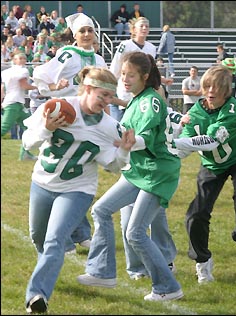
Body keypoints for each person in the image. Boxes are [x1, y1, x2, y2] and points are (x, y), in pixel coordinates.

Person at [23, 66, 136, 314]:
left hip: (77, 189)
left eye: (110, 97)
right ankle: (46, 270)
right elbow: (28, 143)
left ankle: (37, 296)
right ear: (86, 88)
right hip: (42, 182)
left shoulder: (108, 126)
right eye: (102, 95)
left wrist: (124, 151)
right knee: (39, 237)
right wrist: (46, 129)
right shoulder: (57, 107)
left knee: (55, 241)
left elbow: (114, 166)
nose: (107, 102)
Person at [77, 51, 184, 302]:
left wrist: (129, 143)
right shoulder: (136, 100)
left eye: (130, 75)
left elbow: (145, 138)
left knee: (135, 233)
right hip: (138, 170)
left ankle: (167, 286)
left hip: (157, 173)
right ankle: (102, 271)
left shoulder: (150, 101)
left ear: (144, 77)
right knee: (101, 210)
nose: (124, 78)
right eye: (123, 73)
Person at [174, 65, 236, 284]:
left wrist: (175, 142)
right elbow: (182, 150)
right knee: (196, 213)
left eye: (217, 88)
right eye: (207, 86)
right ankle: (202, 262)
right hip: (213, 164)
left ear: (227, 91)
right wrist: (172, 138)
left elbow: (211, 141)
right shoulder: (195, 112)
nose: (211, 91)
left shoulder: (233, 110)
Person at [32, 12, 108, 253]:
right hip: (65, 119)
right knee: (63, 175)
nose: (87, 35)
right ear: (74, 35)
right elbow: (41, 76)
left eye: (90, 31)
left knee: (79, 173)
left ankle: (80, 233)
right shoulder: (68, 54)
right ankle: (67, 237)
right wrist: (56, 86)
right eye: (82, 31)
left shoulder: (98, 58)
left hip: (89, 120)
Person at [1, 52, 37, 160]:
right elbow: (24, 85)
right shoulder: (23, 70)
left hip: (15, 103)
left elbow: (2, 88)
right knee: (4, 128)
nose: (21, 60)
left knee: (29, 128)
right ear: (14, 60)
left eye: (23, 58)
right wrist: (38, 87)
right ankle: (25, 154)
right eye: (19, 58)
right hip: (14, 103)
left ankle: (25, 154)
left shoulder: (6, 72)